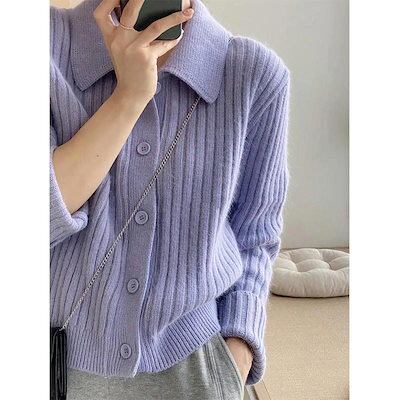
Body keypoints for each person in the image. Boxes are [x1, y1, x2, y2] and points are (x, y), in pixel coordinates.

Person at [50, 0, 290, 398]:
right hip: (55, 364)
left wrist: (238, 353)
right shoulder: (41, 45)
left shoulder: (254, 74)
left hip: (198, 370)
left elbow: (256, 235)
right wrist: (129, 97)